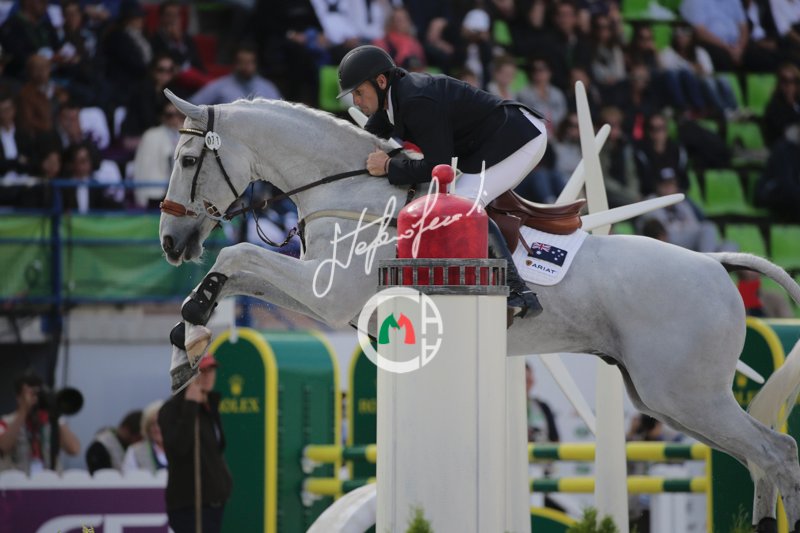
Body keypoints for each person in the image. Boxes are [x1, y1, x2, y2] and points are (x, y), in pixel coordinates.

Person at [336, 45, 547, 318]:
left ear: (380, 81)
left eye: (358, 92)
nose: (355, 102)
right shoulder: (393, 98)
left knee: (463, 207)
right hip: (489, 142)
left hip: (518, 136)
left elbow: (438, 166)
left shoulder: (416, 100)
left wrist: (388, 165)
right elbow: (366, 140)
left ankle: (519, 291)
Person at [159, 354, 232, 533]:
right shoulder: (171, 410)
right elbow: (179, 447)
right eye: (202, 371)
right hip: (189, 505)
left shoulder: (209, 407)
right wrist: (190, 405)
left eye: (211, 370)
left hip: (213, 503)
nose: (208, 376)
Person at [0, 372, 80, 474]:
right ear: (19, 397)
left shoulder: (53, 421)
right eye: (32, 394)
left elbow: (74, 449)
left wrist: (56, 412)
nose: (36, 399)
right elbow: (3, 446)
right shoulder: (6, 421)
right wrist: (23, 410)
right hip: (18, 481)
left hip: (49, 480)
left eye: (38, 394)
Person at [190, 44, 281, 105]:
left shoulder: (267, 87)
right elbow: (193, 104)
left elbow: (282, 112)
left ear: (255, 64)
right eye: (241, 62)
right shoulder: (220, 86)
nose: (245, 67)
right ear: (234, 63)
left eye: (249, 62)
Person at [85, 409, 142, 474]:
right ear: (126, 429)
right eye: (138, 438)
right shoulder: (99, 447)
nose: (138, 443)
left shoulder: (128, 445)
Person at [123, 399, 167, 474]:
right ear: (147, 428)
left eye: (161, 422)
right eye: (152, 424)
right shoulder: (135, 452)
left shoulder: (181, 449)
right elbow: (128, 477)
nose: (157, 428)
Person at [525, 363, 559, 443]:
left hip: (541, 450)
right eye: (525, 379)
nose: (528, 382)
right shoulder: (506, 409)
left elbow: (555, 440)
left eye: (529, 379)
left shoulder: (543, 406)